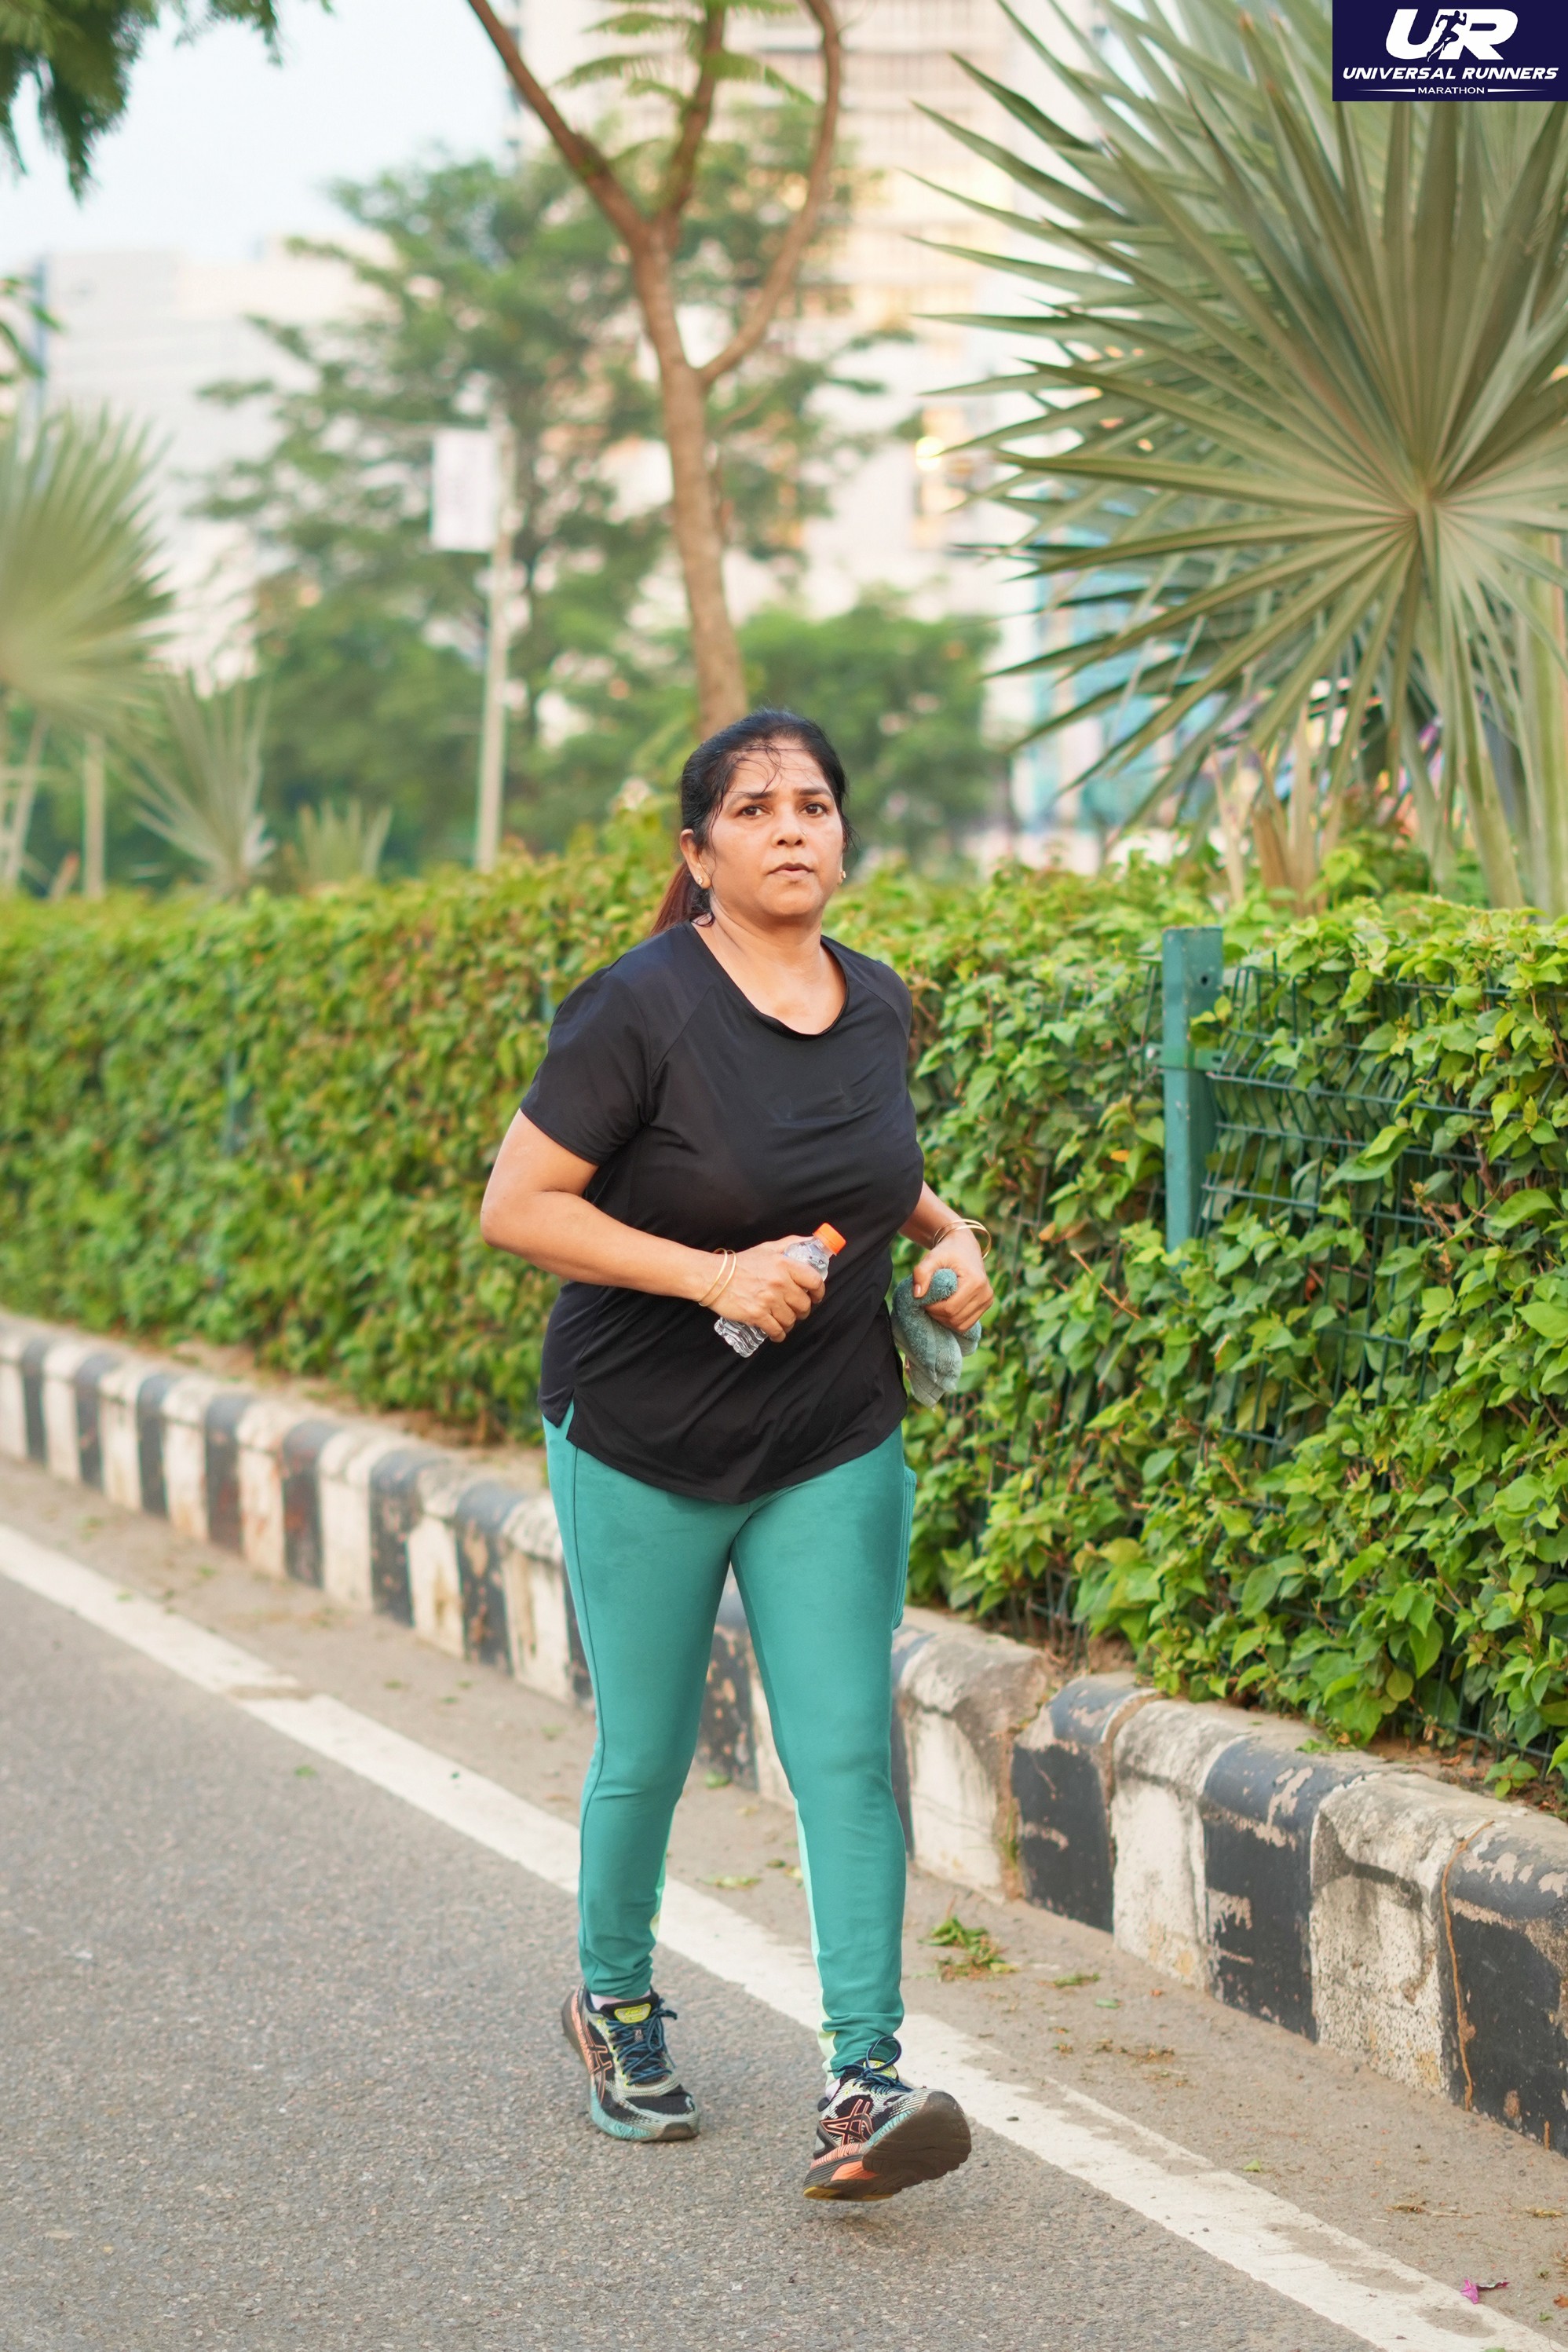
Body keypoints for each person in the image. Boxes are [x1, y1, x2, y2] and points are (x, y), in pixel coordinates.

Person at [480, 708, 993, 2202]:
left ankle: (863, 2078)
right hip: (642, 1432)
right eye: (755, 808)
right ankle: (616, 2000)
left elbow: (870, 1163)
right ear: (697, 852)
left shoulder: (877, 1000)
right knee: (647, 1747)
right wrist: (711, 1274)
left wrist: (950, 1233)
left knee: (840, 1753)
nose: (790, 829)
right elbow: (519, 1206)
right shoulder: (637, 1006)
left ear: (842, 836)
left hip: (828, 1432)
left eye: (813, 805)